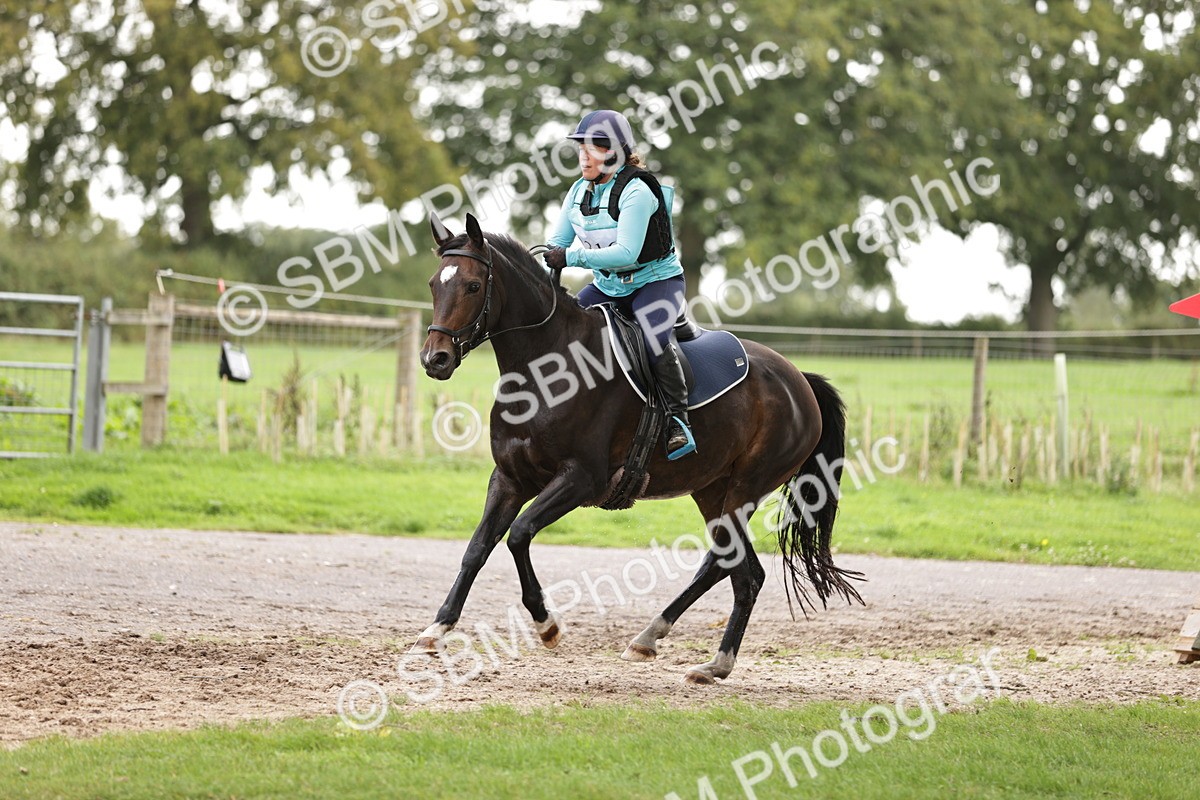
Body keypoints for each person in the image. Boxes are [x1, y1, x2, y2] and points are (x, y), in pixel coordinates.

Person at [543, 109, 695, 460]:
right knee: (562, 331)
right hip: (608, 287)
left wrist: (573, 259)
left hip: (655, 283)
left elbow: (626, 253)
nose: (583, 155)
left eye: (593, 147)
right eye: (581, 147)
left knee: (653, 338)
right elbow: (558, 243)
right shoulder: (579, 190)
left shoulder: (637, 190)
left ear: (614, 151)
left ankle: (678, 421)